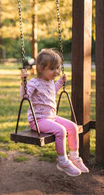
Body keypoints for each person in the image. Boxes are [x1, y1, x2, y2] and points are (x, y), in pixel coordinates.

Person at [20, 48, 89, 177]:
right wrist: (23, 81)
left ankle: (74, 157)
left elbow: (52, 92)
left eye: (58, 68)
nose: (56, 71)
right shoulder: (34, 83)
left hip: (51, 117)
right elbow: (24, 96)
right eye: (52, 69)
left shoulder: (50, 81)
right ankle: (62, 162)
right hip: (38, 121)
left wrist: (60, 82)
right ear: (40, 69)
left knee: (73, 127)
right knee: (61, 131)